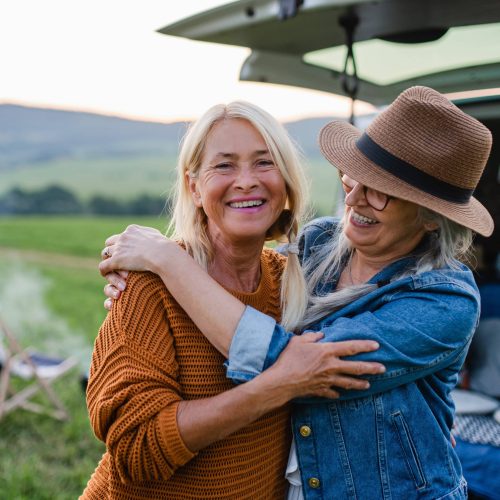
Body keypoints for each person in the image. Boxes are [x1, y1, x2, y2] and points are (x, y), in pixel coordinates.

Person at [100, 86, 494, 499]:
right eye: (353, 178)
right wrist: (151, 269)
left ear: (432, 217)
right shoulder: (318, 244)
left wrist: (169, 261)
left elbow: (291, 364)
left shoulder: (444, 301)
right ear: (192, 186)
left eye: (380, 191)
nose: (354, 199)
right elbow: (241, 260)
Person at [82, 101, 384, 499]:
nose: (246, 181)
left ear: (287, 181)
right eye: (224, 166)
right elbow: (136, 449)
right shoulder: (149, 284)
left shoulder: (293, 282)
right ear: (194, 186)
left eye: (264, 163)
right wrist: (273, 388)